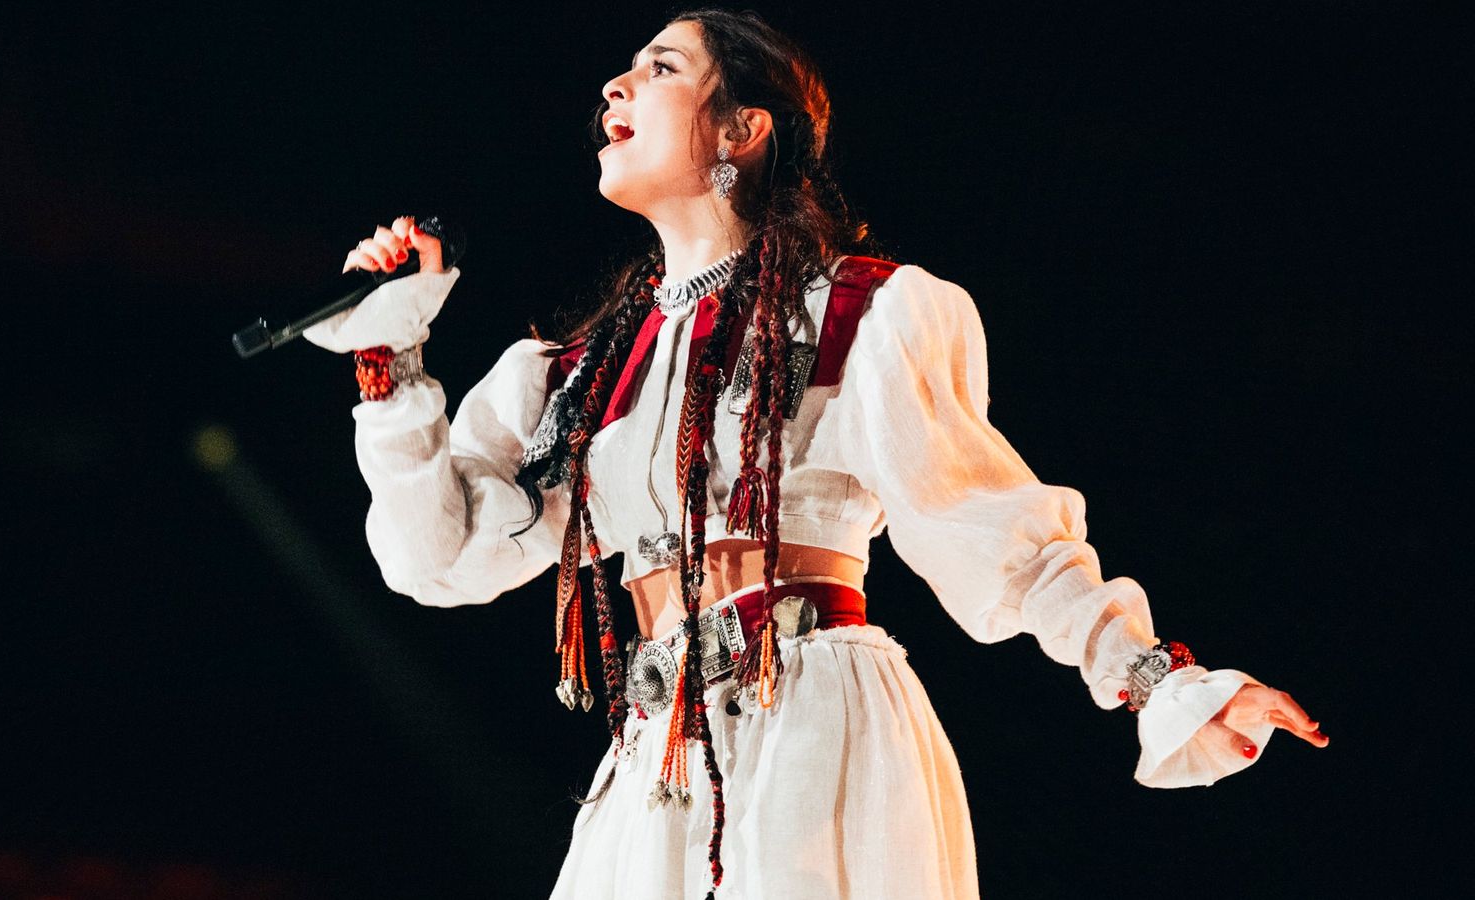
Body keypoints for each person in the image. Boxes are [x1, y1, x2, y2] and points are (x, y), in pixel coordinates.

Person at [303, 8, 1328, 899]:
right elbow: (440, 563)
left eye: (661, 68)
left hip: (811, 715)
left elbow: (997, 538)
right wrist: (392, 366)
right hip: (658, 750)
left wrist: (1161, 678)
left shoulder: (862, 314)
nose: (616, 82)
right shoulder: (576, 371)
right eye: (626, 67)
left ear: (740, 129)